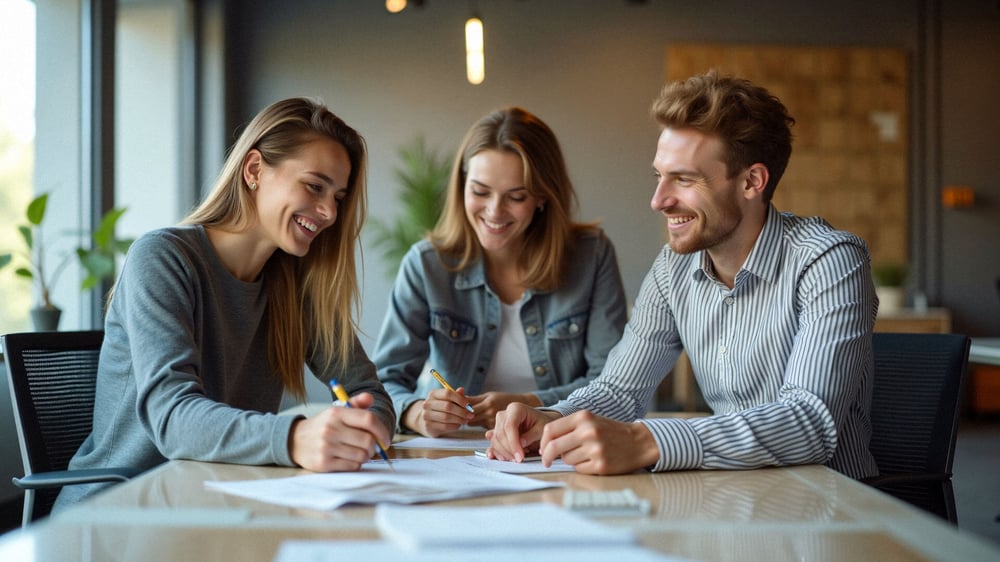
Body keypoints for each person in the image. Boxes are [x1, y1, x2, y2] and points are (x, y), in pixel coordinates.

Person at [487, 71, 879, 480]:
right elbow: (619, 390)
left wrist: (647, 441)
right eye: (660, 175)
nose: (659, 200)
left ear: (752, 181)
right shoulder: (673, 268)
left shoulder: (830, 260)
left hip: (828, 512)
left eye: (684, 179)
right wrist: (550, 418)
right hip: (730, 501)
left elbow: (809, 423)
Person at [55, 97, 395, 509]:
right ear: (254, 170)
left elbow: (368, 392)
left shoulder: (294, 287)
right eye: (314, 186)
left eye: (338, 197)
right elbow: (173, 418)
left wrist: (363, 427)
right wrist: (294, 437)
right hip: (121, 513)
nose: (328, 212)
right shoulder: (163, 258)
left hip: (218, 504)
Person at [373, 107, 627, 437]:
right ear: (462, 186)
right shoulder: (426, 265)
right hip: (452, 454)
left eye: (516, 196)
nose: (494, 211)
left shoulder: (591, 256)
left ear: (541, 197)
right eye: (480, 191)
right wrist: (414, 413)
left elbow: (613, 384)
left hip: (558, 446)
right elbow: (382, 384)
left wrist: (531, 404)